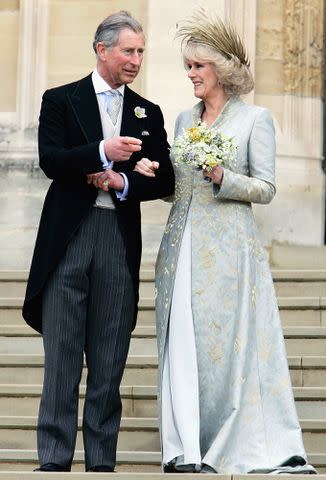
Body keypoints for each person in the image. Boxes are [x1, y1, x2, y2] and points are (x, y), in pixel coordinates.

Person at [134, 9, 316, 475]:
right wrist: (154, 173)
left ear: (223, 70)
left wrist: (223, 176)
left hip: (230, 252)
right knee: (183, 344)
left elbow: (267, 189)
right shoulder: (180, 119)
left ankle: (225, 440)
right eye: (188, 67)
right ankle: (185, 447)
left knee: (223, 348)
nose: (191, 74)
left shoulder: (255, 119)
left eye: (198, 66)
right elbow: (179, 187)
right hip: (180, 246)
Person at [22, 10, 174, 473]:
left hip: (117, 239)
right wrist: (102, 153)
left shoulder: (149, 111)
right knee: (62, 358)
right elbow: (51, 159)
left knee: (110, 359)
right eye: (128, 50)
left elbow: (165, 176)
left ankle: (102, 463)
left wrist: (124, 181)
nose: (136, 59)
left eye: (141, 51)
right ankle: (53, 461)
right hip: (68, 238)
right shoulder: (61, 99)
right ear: (101, 50)